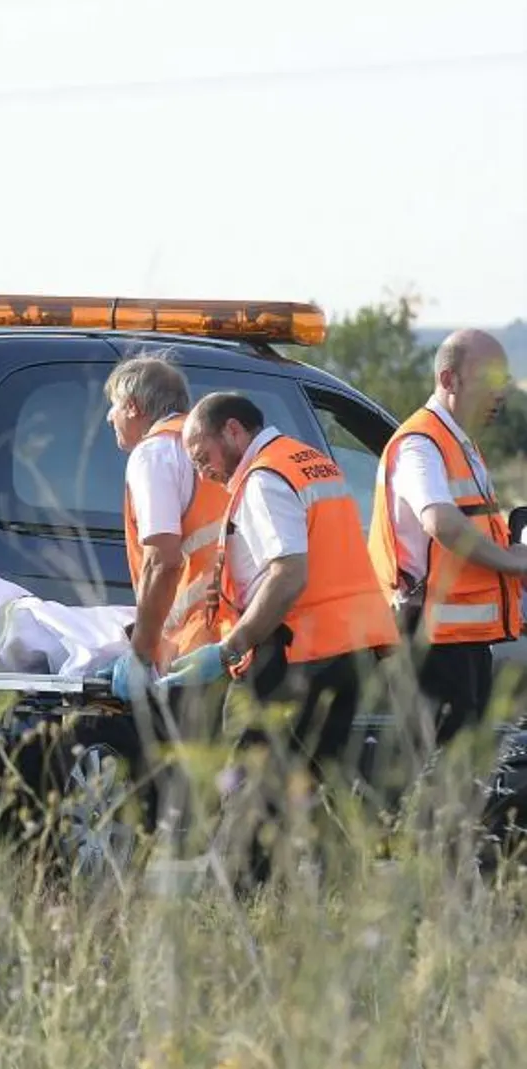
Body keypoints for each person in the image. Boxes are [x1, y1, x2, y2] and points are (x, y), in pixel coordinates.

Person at [174, 391, 399, 888]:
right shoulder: (309, 461)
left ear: (233, 431)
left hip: (297, 652)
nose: (203, 470)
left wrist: (233, 645)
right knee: (319, 781)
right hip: (346, 648)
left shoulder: (265, 478)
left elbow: (288, 573)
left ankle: (237, 906)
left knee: (253, 785)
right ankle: (336, 895)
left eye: (202, 455)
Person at [367, 329, 527, 762]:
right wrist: (514, 564)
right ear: (449, 379)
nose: (501, 393)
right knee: (443, 778)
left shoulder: (461, 443)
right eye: (490, 379)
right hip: (430, 644)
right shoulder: (420, 444)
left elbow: (475, 526)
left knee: (461, 778)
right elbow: (442, 522)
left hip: (461, 642)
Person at [95, 354, 232, 838]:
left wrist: (138, 651)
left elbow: (164, 558)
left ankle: (182, 901)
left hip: (189, 648)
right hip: (229, 639)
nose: (110, 417)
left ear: (133, 406)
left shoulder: (153, 454)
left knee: (177, 801)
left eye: (112, 406)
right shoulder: (204, 450)